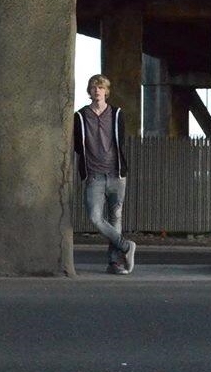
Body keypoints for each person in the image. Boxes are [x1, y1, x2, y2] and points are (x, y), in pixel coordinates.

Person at [73, 74, 136, 275]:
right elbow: (77, 145)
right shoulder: (80, 116)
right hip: (94, 175)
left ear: (106, 91)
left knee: (115, 218)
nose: (97, 90)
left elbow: (120, 141)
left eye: (101, 87)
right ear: (89, 91)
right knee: (95, 217)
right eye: (94, 87)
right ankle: (126, 246)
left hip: (116, 175)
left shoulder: (117, 114)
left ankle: (114, 263)